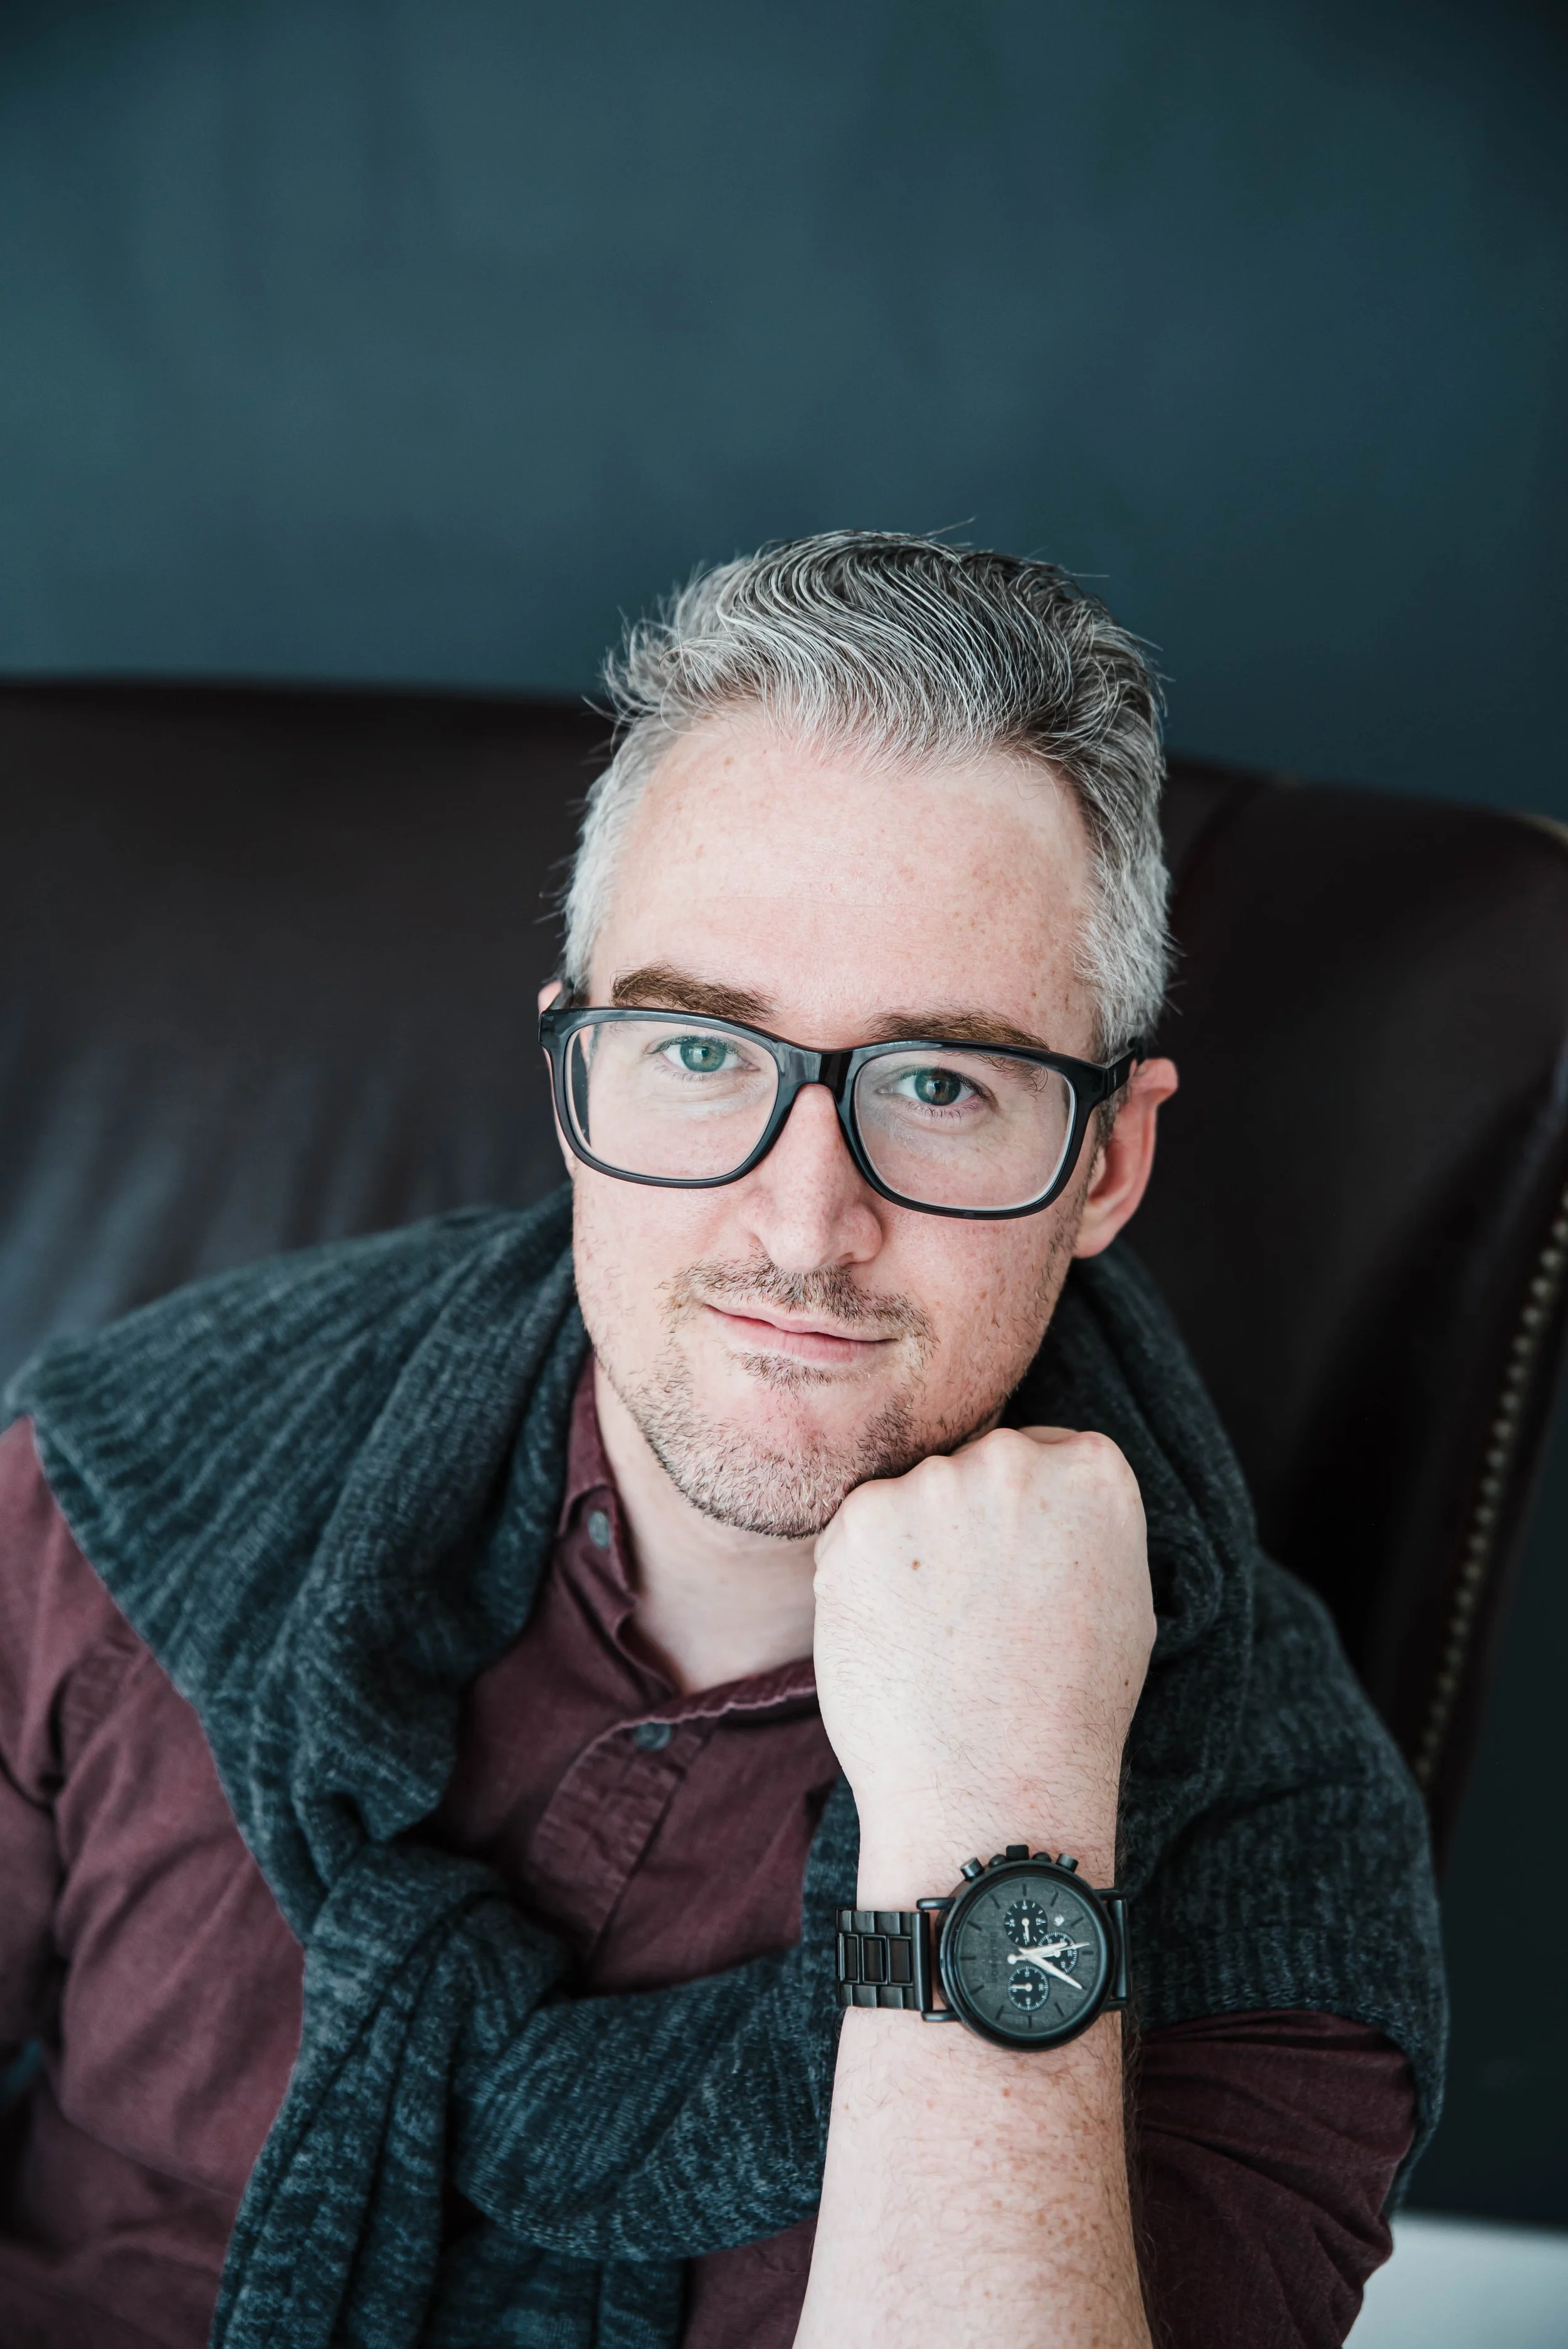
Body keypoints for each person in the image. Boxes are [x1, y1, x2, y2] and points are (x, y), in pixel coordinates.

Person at [0, 533, 1444, 2349]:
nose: (799, 1224)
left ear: (1103, 1164)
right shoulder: (131, 1476)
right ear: (570, 1078)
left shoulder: (1268, 1834)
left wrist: (995, 1829)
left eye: (937, 1083)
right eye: (698, 1050)